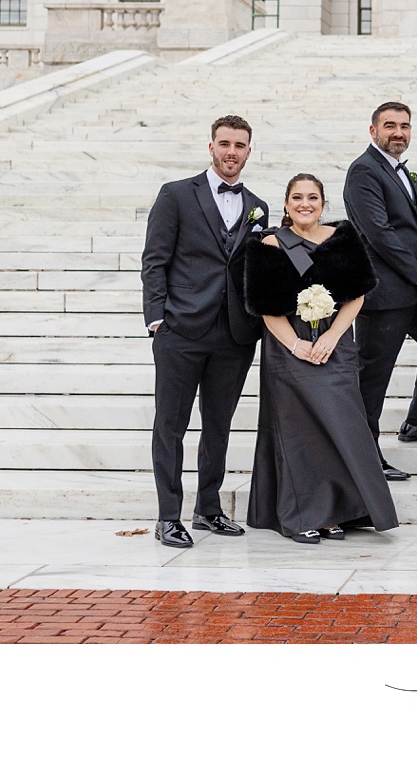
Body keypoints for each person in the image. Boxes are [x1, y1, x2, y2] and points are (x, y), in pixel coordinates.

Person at [242, 174, 398, 543]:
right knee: (300, 434)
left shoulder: (342, 237)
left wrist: (331, 335)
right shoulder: (269, 244)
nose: (304, 204)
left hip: (336, 344)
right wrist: (296, 345)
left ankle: (336, 511)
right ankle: (302, 515)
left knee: (342, 427)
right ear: (285, 204)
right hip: (288, 348)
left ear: (323, 203)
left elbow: (357, 295)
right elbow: (266, 309)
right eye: (297, 197)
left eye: (312, 197)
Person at [141, 115, 271, 548]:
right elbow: (155, 259)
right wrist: (157, 317)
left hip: (233, 334)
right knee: (171, 425)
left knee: (219, 425)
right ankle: (167, 517)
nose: (231, 151)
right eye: (224, 143)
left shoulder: (258, 206)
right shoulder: (177, 194)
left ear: (249, 151)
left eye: (240, 145)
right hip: (180, 329)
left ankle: (208, 509)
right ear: (211, 147)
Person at [343, 101, 417, 482]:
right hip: (382, 296)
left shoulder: (401, 171)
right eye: (390, 125)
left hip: (411, 289)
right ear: (373, 131)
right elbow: (378, 232)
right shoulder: (363, 172)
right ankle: (364, 458)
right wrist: (414, 273)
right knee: (372, 379)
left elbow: (413, 230)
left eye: (404, 126)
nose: (398, 132)